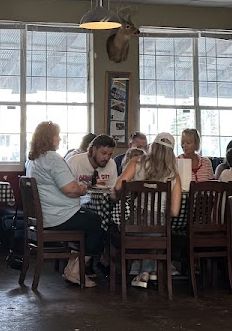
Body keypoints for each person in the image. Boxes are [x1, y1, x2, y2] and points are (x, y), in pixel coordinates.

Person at [25, 121, 104, 288]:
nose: (59, 139)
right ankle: (75, 271)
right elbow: (70, 189)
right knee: (97, 222)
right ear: (50, 138)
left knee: (89, 219)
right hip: (59, 216)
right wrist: (83, 189)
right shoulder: (52, 158)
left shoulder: (33, 159)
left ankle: (72, 268)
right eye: (57, 135)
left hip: (45, 215)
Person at [115, 131, 184, 288]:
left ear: (153, 146)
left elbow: (118, 186)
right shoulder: (174, 175)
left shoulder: (136, 162)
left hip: (133, 225)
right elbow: (174, 212)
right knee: (155, 230)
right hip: (158, 228)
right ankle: (148, 271)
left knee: (125, 228)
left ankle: (145, 272)